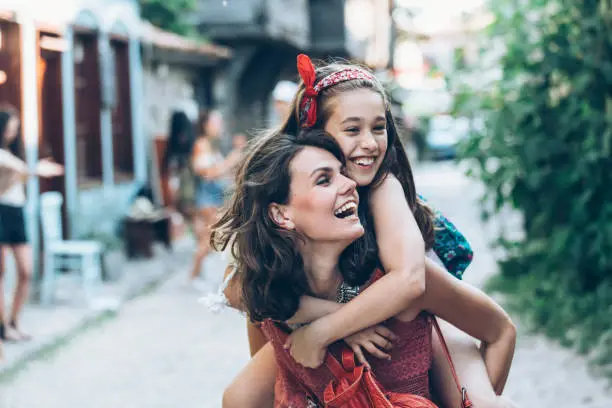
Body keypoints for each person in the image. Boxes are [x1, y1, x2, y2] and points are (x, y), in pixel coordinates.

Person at [213, 54, 510, 407]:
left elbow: (411, 281)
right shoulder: (289, 202)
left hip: (416, 290)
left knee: (477, 399)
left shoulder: (383, 187)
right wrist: (337, 321)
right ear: (314, 134)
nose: (370, 143)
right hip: (348, 300)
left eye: (379, 128)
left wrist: (325, 331)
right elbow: (240, 289)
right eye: (352, 129)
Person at [0, 106, 63, 346]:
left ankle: (15, 320)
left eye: (15, 129)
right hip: (2, 211)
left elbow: (19, 173)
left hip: (17, 211)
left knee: (26, 271)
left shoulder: (14, 154)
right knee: (1, 273)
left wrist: (30, 170)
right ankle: (3, 326)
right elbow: (18, 170)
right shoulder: (3, 155)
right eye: (9, 128)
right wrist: (36, 170)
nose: (12, 133)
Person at [189, 110, 242, 282]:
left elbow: (219, 174)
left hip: (214, 197)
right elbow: (207, 173)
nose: (220, 126)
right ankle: (194, 275)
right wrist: (231, 161)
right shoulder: (202, 144)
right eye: (216, 123)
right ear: (206, 125)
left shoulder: (212, 146)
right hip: (207, 198)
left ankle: (196, 275)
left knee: (211, 238)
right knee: (211, 238)